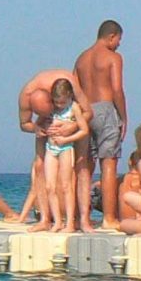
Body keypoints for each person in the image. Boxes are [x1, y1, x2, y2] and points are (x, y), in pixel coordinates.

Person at [17, 69, 94, 232]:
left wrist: (71, 126)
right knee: (39, 166)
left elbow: (88, 112)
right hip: (47, 131)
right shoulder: (25, 96)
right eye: (41, 113)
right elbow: (24, 124)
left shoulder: (67, 82)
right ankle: (45, 219)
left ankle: (83, 219)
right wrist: (37, 128)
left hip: (72, 124)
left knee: (81, 165)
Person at [74, 20, 127, 229]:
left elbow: (74, 88)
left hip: (85, 110)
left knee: (84, 165)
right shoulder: (113, 57)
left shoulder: (81, 58)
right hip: (105, 109)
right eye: (119, 40)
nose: (119, 44)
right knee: (108, 163)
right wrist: (123, 117)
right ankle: (109, 218)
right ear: (112, 36)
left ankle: (81, 217)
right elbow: (117, 89)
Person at [40, 79, 90, 233]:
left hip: (66, 147)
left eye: (62, 102)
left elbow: (84, 130)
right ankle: (57, 221)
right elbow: (39, 123)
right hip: (51, 148)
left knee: (67, 185)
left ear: (69, 96)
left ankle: (69, 222)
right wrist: (43, 129)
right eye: (57, 102)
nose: (59, 105)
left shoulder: (73, 108)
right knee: (49, 186)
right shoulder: (50, 108)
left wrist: (66, 139)